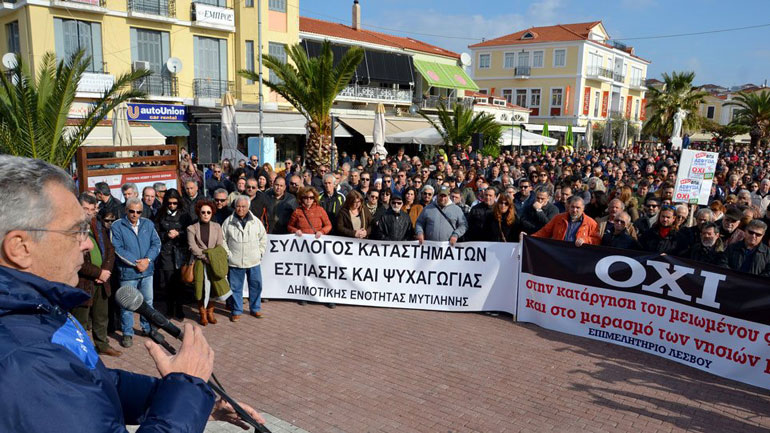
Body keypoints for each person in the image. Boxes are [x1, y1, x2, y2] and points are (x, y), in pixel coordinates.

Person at [0, 156, 263, 432]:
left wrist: (196, 400)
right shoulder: (23, 360)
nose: (87, 243)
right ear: (20, 247)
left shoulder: (38, 312)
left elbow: (96, 385)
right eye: (76, 231)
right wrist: (185, 387)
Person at [73, 193, 120, 357]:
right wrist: (98, 272)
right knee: (81, 319)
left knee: (102, 315)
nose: (88, 212)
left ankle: (102, 344)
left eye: (92, 209)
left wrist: (105, 271)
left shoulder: (97, 225)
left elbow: (110, 250)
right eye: (85, 208)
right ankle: (80, 350)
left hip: (102, 280)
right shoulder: (73, 227)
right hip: (83, 282)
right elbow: (75, 259)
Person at [111, 198, 161, 348]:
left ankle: (147, 328)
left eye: (138, 212)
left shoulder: (148, 224)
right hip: (128, 272)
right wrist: (136, 263)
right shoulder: (117, 225)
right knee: (127, 305)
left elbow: (156, 243)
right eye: (132, 211)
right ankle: (127, 333)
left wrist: (147, 260)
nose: (135, 214)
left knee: (148, 302)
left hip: (147, 271)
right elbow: (117, 248)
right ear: (126, 210)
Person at [222, 196, 268, 321]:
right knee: (235, 287)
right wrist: (228, 254)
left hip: (253, 261)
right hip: (235, 262)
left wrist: (260, 252)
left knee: (256, 285)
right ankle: (236, 310)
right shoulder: (228, 222)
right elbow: (222, 240)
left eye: (243, 207)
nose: (240, 209)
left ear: (248, 207)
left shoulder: (256, 222)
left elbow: (263, 238)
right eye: (238, 206)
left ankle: (255, 309)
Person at [187, 199, 229, 326]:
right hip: (200, 262)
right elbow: (192, 246)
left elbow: (219, 245)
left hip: (213, 263)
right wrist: (205, 257)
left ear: (212, 214)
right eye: (203, 212)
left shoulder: (217, 227)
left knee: (213, 288)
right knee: (201, 288)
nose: (205, 214)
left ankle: (211, 312)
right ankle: (202, 314)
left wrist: (211, 258)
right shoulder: (191, 228)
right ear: (199, 213)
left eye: (208, 212)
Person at [153, 188, 191, 320]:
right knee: (168, 282)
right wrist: (166, 235)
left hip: (180, 251)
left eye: (175, 203)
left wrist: (179, 234)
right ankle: (169, 308)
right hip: (166, 252)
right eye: (169, 203)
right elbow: (156, 233)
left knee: (180, 282)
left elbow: (190, 232)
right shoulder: (160, 214)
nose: (172, 206)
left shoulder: (184, 214)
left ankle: (179, 308)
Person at [532, 196, 600, 247]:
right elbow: (544, 232)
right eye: (572, 207)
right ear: (569, 207)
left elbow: (597, 240)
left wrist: (585, 240)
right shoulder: (558, 218)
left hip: (578, 257)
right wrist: (529, 238)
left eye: (578, 208)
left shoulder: (591, 223)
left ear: (583, 208)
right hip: (559, 253)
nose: (574, 210)